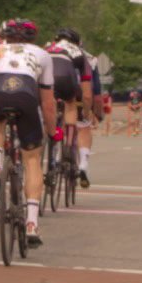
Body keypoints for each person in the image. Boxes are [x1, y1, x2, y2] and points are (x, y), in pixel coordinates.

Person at [0, 19, 61, 248]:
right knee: (32, 160)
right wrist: (51, 131)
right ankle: (31, 224)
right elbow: (47, 103)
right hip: (26, 95)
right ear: (33, 38)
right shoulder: (42, 54)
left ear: (6, 36)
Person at [50, 28, 96, 188]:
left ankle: (54, 155)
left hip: (47, 84)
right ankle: (80, 161)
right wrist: (86, 112)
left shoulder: (48, 48)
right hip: (70, 86)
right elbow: (88, 93)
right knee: (75, 113)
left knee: (50, 114)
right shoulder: (81, 54)